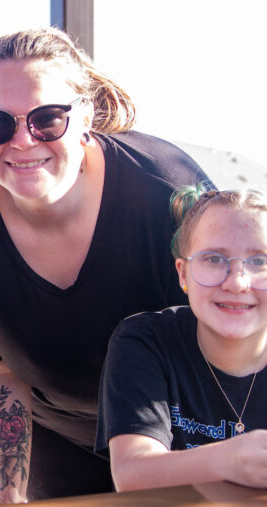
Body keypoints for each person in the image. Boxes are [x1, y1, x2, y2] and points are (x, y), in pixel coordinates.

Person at [0, 27, 214, 504]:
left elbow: (232, 324)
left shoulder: (165, 190)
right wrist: (10, 499)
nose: (22, 141)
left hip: (182, 432)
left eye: (48, 119)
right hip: (59, 440)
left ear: (85, 118)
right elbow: (0, 375)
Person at [96, 186, 267, 491]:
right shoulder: (144, 342)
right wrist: (228, 460)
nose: (237, 282)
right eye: (214, 259)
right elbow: (132, 473)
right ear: (183, 274)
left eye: (260, 262)